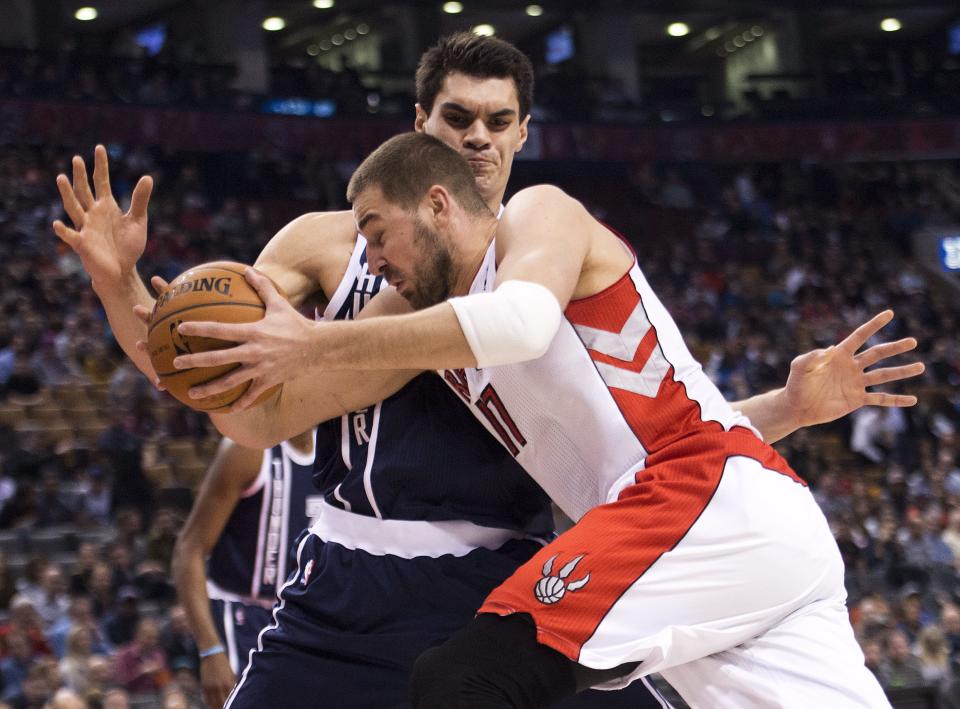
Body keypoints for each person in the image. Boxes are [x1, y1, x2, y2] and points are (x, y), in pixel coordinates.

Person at [54, 33, 921, 709]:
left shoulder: (538, 235)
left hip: (526, 562)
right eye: (456, 118)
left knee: (468, 678)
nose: (476, 137)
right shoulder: (382, 274)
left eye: (498, 122)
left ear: (522, 136)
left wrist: (786, 407)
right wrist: (121, 288)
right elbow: (244, 405)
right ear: (417, 124)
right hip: (363, 573)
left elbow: (639, 423)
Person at [171, 431, 316, 708]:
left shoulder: (337, 448)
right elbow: (188, 550)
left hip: (299, 618)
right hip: (240, 616)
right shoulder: (249, 449)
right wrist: (210, 649)